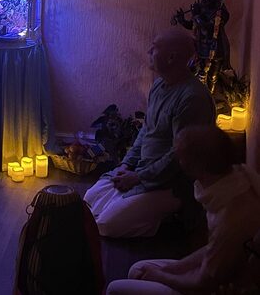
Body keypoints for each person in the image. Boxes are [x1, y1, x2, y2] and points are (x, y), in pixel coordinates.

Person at [83, 28, 215, 238]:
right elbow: (147, 130)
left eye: (154, 48)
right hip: (142, 170)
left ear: (171, 57)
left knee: (107, 225)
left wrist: (137, 177)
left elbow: (178, 156)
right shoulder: (159, 85)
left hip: (171, 183)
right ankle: (133, 204)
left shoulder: (192, 98)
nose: (148, 51)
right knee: (89, 199)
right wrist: (126, 165)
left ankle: (168, 217)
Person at [106, 125, 260, 294]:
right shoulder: (237, 175)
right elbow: (214, 249)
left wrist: (160, 276)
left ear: (198, 166)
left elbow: (203, 283)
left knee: (114, 289)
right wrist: (175, 268)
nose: (178, 161)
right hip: (214, 273)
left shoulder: (231, 219)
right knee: (138, 269)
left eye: (181, 158)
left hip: (218, 287)